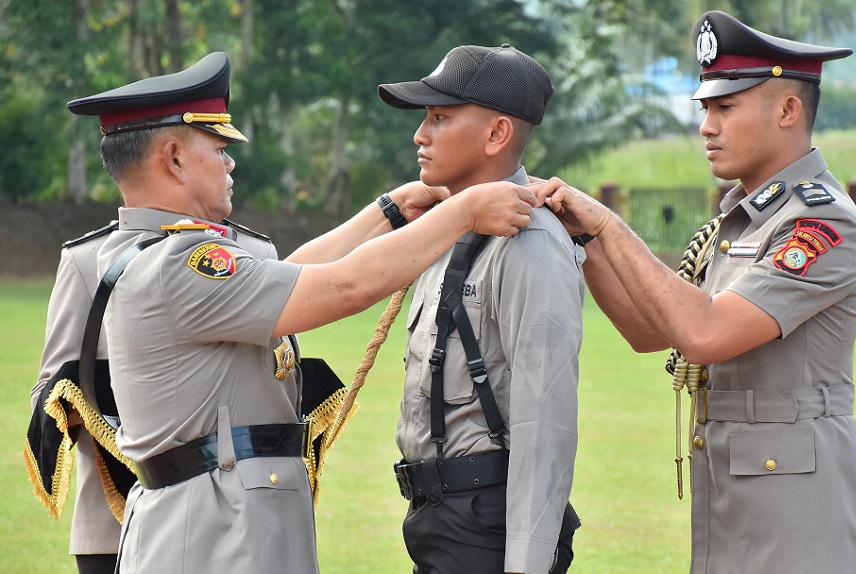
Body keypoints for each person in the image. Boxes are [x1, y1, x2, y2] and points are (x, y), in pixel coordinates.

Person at [64, 51, 539, 573]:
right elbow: (344, 287)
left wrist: (388, 213)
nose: (231, 163)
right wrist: (464, 210)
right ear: (174, 158)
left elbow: (283, 279)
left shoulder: (160, 254)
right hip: (214, 534)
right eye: (220, 148)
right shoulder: (180, 263)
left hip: (218, 518)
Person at [537, 10, 856, 574]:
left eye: (725, 107)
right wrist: (585, 239)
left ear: (786, 110)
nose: (706, 125)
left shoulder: (821, 223)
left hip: (803, 513)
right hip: (738, 492)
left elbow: (703, 333)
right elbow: (648, 331)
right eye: (706, 108)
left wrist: (609, 226)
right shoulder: (745, 220)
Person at [378, 44, 584, 574]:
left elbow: (546, 422)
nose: (420, 135)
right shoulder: (449, 226)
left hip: (487, 523)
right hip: (442, 517)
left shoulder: (527, 240)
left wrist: (527, 563)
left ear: (497, 135)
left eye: (440, 118)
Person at [28, 219, 124, 573]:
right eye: (218, 156)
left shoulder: (239, 255)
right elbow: (48, 394)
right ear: (172, 161)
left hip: (228, 524)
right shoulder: (87, 260)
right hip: (114, 528)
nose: (230, 165)